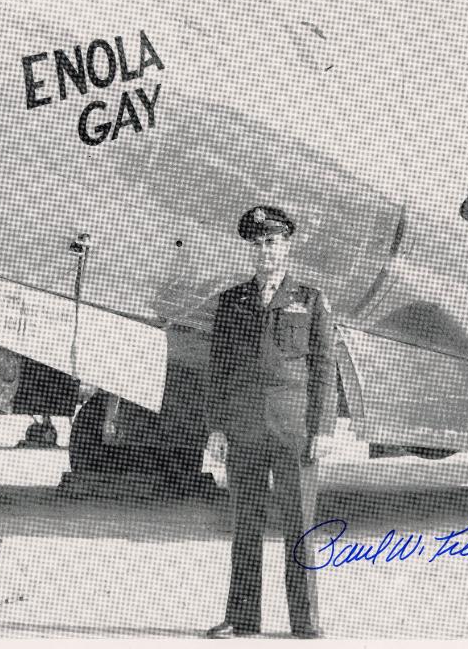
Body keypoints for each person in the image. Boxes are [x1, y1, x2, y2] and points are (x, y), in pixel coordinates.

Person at [204, 205, 336, 639]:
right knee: (246, 524)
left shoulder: (310, 300)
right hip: (244, 427)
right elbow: (218, 368)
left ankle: (306, 620)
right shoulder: (232, 300)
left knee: (299, 525)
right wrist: (218, 427)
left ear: (287, 245)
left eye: (273, 242)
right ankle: (242, 617)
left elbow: (323, 369)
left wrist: (321, 429)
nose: (265, 250)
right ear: (250, 249)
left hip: (293, 429)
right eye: (258, 243)